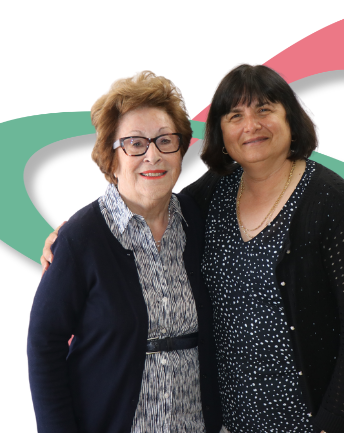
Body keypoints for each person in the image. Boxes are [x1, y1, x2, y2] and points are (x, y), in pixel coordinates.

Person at [43, 65, 344, 433]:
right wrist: (67, 239)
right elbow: (150, 205)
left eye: (264, 109)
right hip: (227, 425)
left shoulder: (334, 204)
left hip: (311, 422)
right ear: (220, 133)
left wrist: (333, 427)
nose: (251, 125)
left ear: (291, 119)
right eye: (235, 115)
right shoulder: (213, 195)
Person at [28, 71, 222, 433]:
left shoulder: (198, 221)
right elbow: (44, 344)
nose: (153, 155)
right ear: (111, 157)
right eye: (135, 143)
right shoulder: (81, 238)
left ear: (181, 150)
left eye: (165, 140)